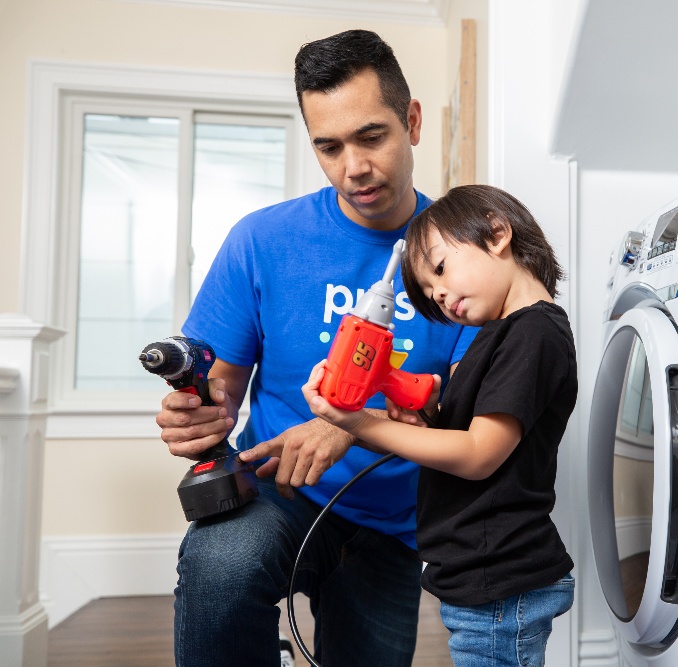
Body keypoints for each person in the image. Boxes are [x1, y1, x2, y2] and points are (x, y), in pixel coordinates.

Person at [156, 30, 477, 666]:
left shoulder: (463, 255)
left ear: (411, 122)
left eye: (371, 137)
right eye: (328, 147)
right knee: (219, 573)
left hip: (396, 521)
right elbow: (219, 381)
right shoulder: (262, 241)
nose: (352, 167)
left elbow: (475, 410)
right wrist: (200, 410)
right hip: (280, 488)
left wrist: (352, 428)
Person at [296, 184, 577, 666]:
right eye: (429, 293)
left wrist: (357, 423)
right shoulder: (496, 335)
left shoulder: (534, 331)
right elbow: (462, 435)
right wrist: (416, 411)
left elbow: (477, 455)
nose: (440, 295)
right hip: (478, 573)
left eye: (441, 270)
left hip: (500, 578)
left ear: (497, 233)